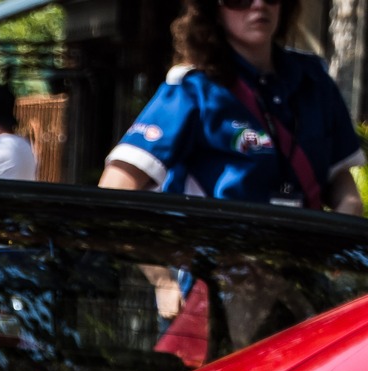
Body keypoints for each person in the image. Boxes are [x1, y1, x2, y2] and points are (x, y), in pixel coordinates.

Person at [99, 0, 362, 213]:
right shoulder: (193, 89)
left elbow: (342, 186)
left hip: (298, 271)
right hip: (218, 272)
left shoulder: (314, 81)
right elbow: (116, 185)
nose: (259, 5)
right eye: (240, 0)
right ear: (213, 9)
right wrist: (162, 273)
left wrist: (327, 257)